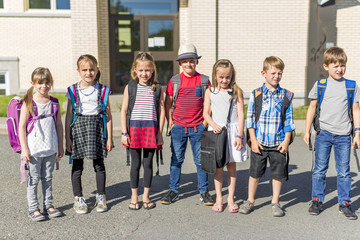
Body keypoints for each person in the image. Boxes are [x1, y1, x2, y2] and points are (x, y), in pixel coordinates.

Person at [303, 46, 360, 220]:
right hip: (324, 133)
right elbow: (312, 108)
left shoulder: (351, 85)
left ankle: (344, 202)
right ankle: (317, 199)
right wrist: (306, 131)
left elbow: (355, 109)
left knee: (343, 171)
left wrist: (357, 132)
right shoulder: (320, 85)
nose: (339, 69)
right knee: (320, 169)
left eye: (342, 65)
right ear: (326, 66)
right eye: (335, 65)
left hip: (344, 135)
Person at [239, 56, 295, 217]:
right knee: (254, 174)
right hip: (260, 143)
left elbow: (289, 121)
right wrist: (253, 141)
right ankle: (250, 200)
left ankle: (275, 202)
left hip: (278, 144)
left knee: (277, 175)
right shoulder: (256, 94)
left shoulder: (287, 95)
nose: (276, 76)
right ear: (264, 73)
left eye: (280, 73)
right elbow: (250, 120)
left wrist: (286, 141)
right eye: (273, 73)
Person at [160, 43, 214, 206]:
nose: (188, 64)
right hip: (178, 128)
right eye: (185, 61)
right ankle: (173, 190)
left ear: (196, 62)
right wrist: (171, 123)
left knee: (200, 161)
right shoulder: (175, 81)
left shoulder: (204, 80)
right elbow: (168, 102)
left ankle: (204, 191)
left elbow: (208, 103)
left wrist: (205, 122)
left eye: (192, 61)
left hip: (198, 127)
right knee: (177, 159)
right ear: (179, 63)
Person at [65, 54, 114, 214]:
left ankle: (101, 196)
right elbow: (68, 116)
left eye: (91, 69)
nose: (88, 73)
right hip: (78, 130)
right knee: (77, 166)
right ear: (78, 71)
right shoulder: (72, 90)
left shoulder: (103, 90)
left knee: (99, 165)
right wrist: (67, 138)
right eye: (84, 70)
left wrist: (110, 138)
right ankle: (78, 198)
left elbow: (108, 117)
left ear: (97, 70)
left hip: (97, 130)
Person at [120, 52, 165, 210]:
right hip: (135, 129)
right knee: (135, 164)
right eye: (141, 70)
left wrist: (160, 133)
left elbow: (162, 112)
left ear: (152, 70)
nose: (144, 73)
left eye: (147, 70)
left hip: (150, 130)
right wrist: (124, 133)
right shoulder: (131, 87)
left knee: (148, 164)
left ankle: (146, 196)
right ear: (135, 70)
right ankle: (134, 196)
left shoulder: (157, 88)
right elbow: (124, 110)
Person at [19, 67, 64, 222]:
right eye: (40, 83)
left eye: (47, 82)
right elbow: (22, 126)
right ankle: (33, 208)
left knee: (48, 177)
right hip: (34, 150)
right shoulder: (29, 102)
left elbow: (59, 125)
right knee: (33, 179)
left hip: (50, 147)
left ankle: (48, 205)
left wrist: (60, 145)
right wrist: (24, 148)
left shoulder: (54, 103)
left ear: (51, 83)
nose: (44, 86)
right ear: (33, 83)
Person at [203, 59, 248, 213]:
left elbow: (241, 114)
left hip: (233, 132)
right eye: (221, 77)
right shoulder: (210, 92)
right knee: (218, 167)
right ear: (215, 76)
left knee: (232, 166)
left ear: (231, 76)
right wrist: (213, 124)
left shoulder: (236, 91)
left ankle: (231, 198)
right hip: (217, 132)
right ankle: (219, 198)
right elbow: (205, 113)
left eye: (227, 77)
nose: (224, 80)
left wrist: (240, 135)